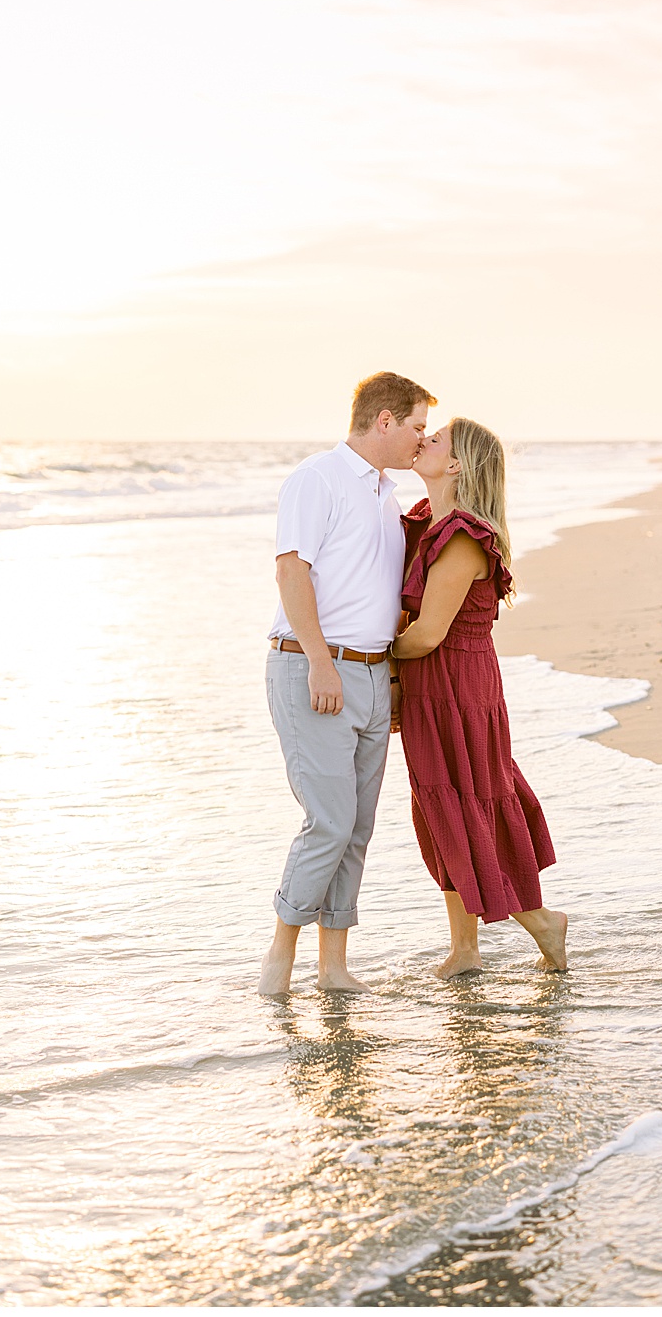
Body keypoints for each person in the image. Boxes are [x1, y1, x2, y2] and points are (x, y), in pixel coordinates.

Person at [260, 372, 434, 996]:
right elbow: (290, 571)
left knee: (356, 827)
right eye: (416, 426)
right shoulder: (318, 478)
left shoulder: (385, 495)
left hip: (369, 673)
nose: (422, 439)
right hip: (315, 668)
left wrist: (385, 673)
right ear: (384, 421)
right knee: (329, 821)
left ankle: (332, 966)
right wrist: (322, 662)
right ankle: (279, 958)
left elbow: (373, 593)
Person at [393, 417, 568, 975]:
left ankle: (543, 922)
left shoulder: (464, 536)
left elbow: (426, 634)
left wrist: (366, 662)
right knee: (443, 802)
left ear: (457, 464)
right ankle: (465, 951)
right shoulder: (426, 521)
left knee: (469, 801)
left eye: (436, 438)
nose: (423, 440)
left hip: (457, 687)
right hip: (433, 684)